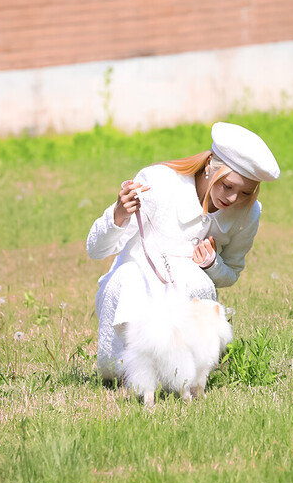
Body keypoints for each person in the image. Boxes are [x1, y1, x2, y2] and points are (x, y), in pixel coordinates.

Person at [86, 122, 280, 380]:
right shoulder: (159, 182)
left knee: (195, 279)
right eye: (228, 186)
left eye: (245, 192)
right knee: (128, 275)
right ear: (210, 166)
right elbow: (96, 249)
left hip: (182, 304)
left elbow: (231, 274)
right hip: (132, 296)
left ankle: (182, 372)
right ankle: (123, 369)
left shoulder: (248, 213)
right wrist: (119, 214)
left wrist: (212, 264)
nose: (233, 199)